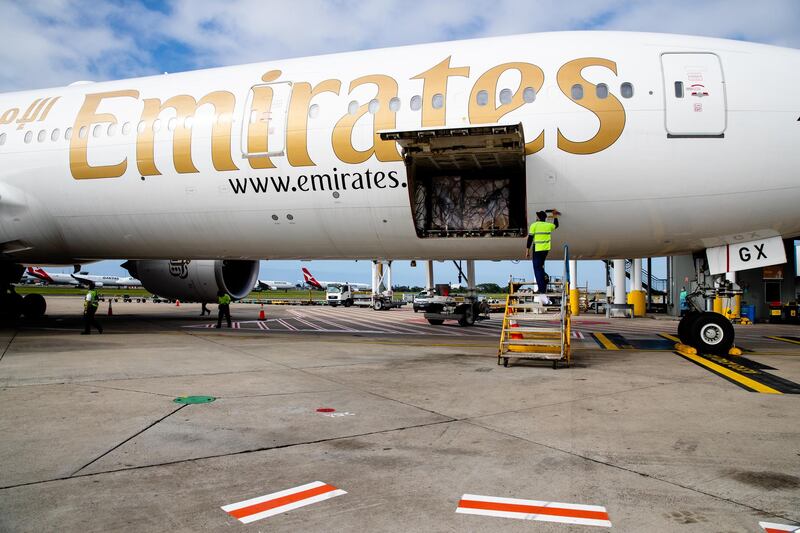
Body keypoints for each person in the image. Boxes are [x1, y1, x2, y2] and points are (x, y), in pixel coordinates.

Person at [525, 209, 559, 305]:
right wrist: (555, 216)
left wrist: (527, 250)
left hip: (537, 249)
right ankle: (544, 278)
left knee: (537, 268)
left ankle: (542, 289)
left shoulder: (534, 225)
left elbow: (530, 238)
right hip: (546, 249)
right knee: (540, 267)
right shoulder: (548, 225)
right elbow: (556, 225)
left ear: (538, 218)